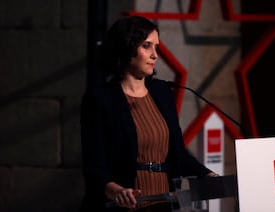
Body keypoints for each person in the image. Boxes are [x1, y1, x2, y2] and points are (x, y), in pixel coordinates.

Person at [80, 15, 218, 211]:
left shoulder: (162, 93)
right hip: (124, 207)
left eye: (156, 47)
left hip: (165, 203)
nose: (155, 55)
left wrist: (210, 176)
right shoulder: (100, 99)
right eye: (147, 46)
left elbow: (179, 153)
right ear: (126, 47)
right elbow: (94, 168)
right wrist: (118, 191)